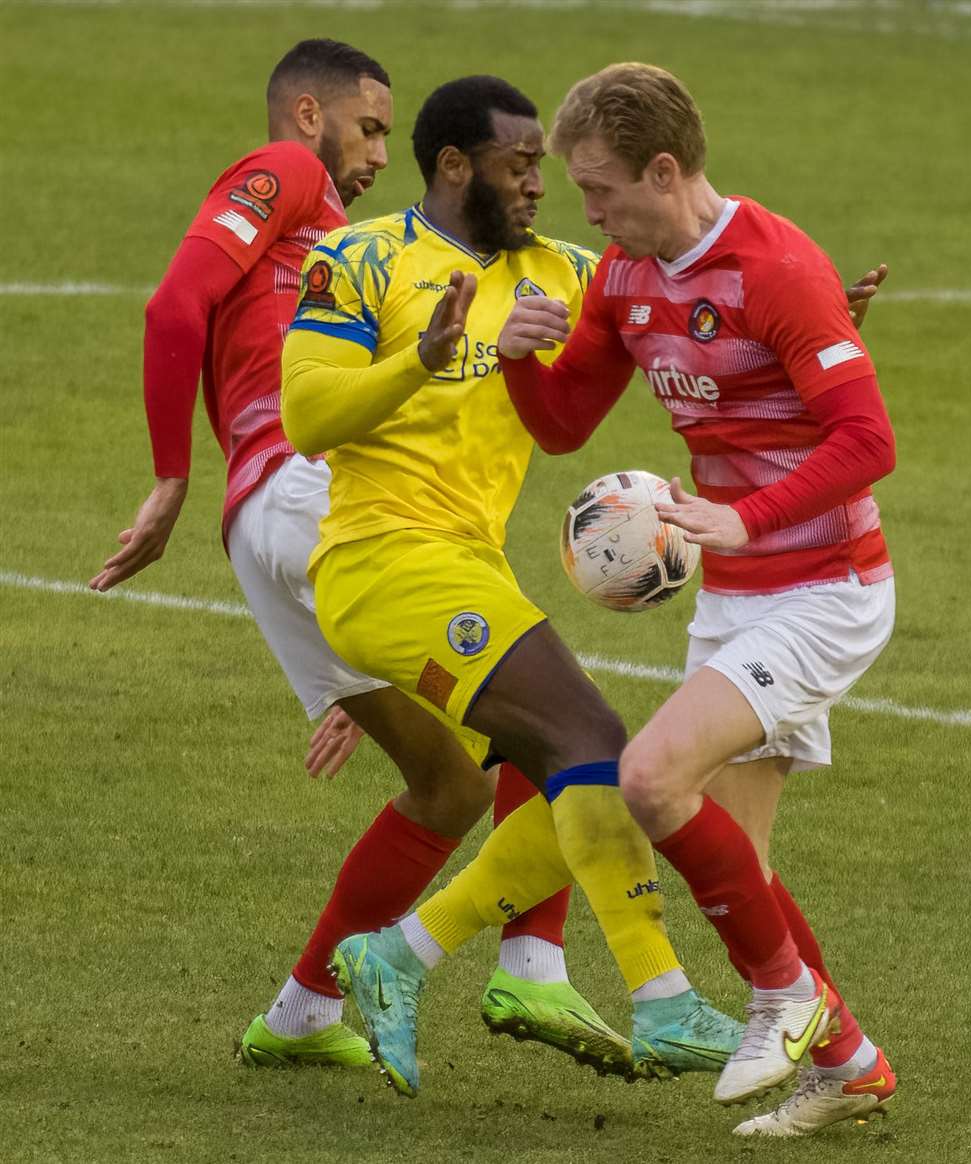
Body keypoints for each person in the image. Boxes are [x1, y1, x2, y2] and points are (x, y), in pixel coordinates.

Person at [87, 40, 610, 1077]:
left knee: (450, 785)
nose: (377, 150)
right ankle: (531, 961)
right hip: (317, 491)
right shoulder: (288, 173)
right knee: (557, 725)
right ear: (309, 111)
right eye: (369, 126)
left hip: (267, 533)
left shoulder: (352, 246)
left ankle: (299, 1012)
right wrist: (166, 478)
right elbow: (171, 306)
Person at [281, 73, 759, 1099]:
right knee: (598, 748)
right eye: (518, 164)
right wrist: (428, 354)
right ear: (455, 167)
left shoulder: (564, 271)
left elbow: (686, 299)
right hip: (380, 562)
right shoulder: (360, 256)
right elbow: (309, 417)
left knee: (598, 767)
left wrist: (790, 316)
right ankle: (662, 996)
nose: (540, 183)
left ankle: (397, 956)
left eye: (543, 164)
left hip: (468, 567)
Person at [495, 63, 897, 1137]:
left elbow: (870, 439)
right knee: (743, 866)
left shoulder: (774, 267)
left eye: (602, 191)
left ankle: (787, 1002)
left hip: (827, 589)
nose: (588, 215)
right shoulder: (626, 277)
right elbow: (565, 422)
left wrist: (749, 517)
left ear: (664, 171)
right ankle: (849, 1063)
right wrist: (519, 361)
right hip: (736, 597)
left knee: (651, 778)